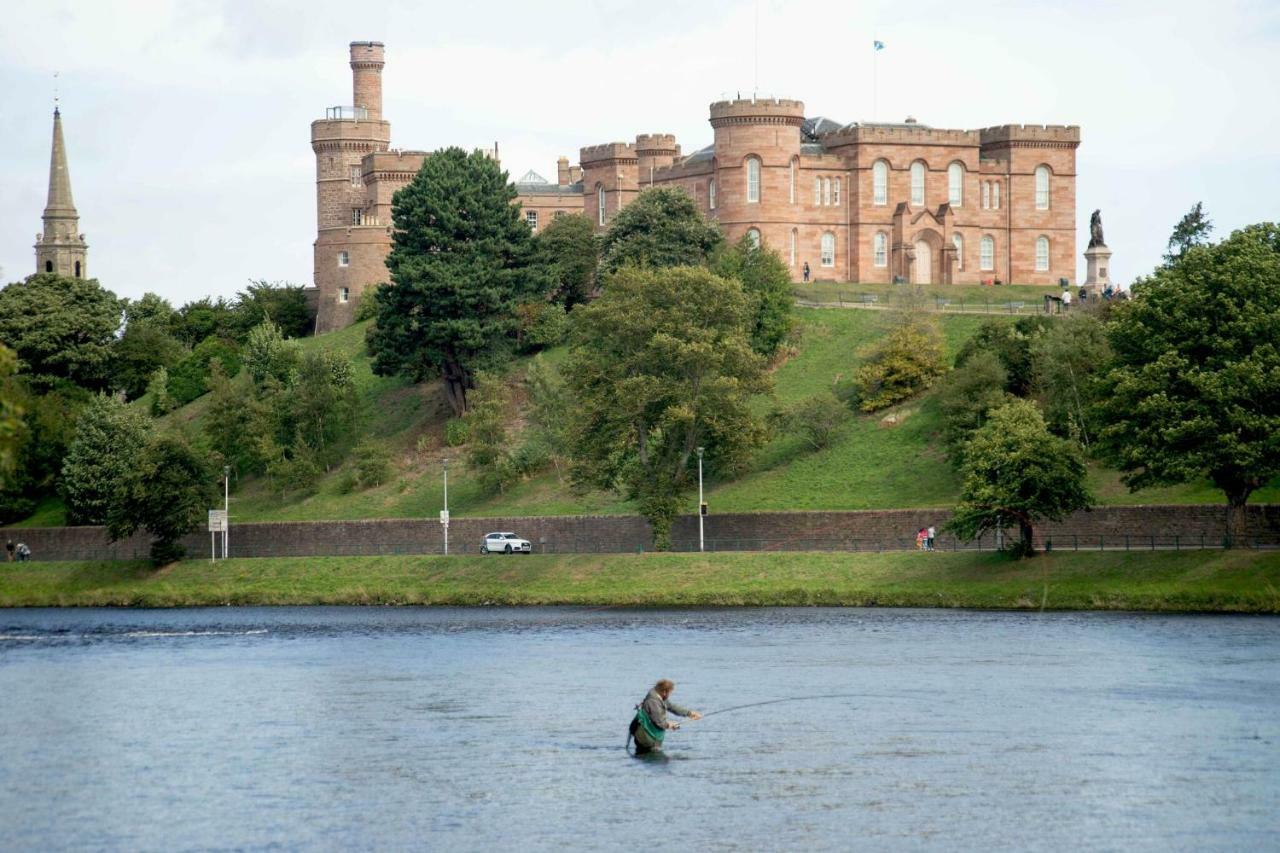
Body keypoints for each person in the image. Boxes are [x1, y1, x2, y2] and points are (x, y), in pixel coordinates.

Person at [629, 679, 701, 755]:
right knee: (658, 762)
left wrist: (689, 713)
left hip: (648, 737)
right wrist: (670, 725)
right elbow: (660, 722)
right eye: (670, 692)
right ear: (664, 692)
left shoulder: (658, 695)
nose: (670, 694)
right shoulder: (653, 701)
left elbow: (671, 707)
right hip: (646, 739)